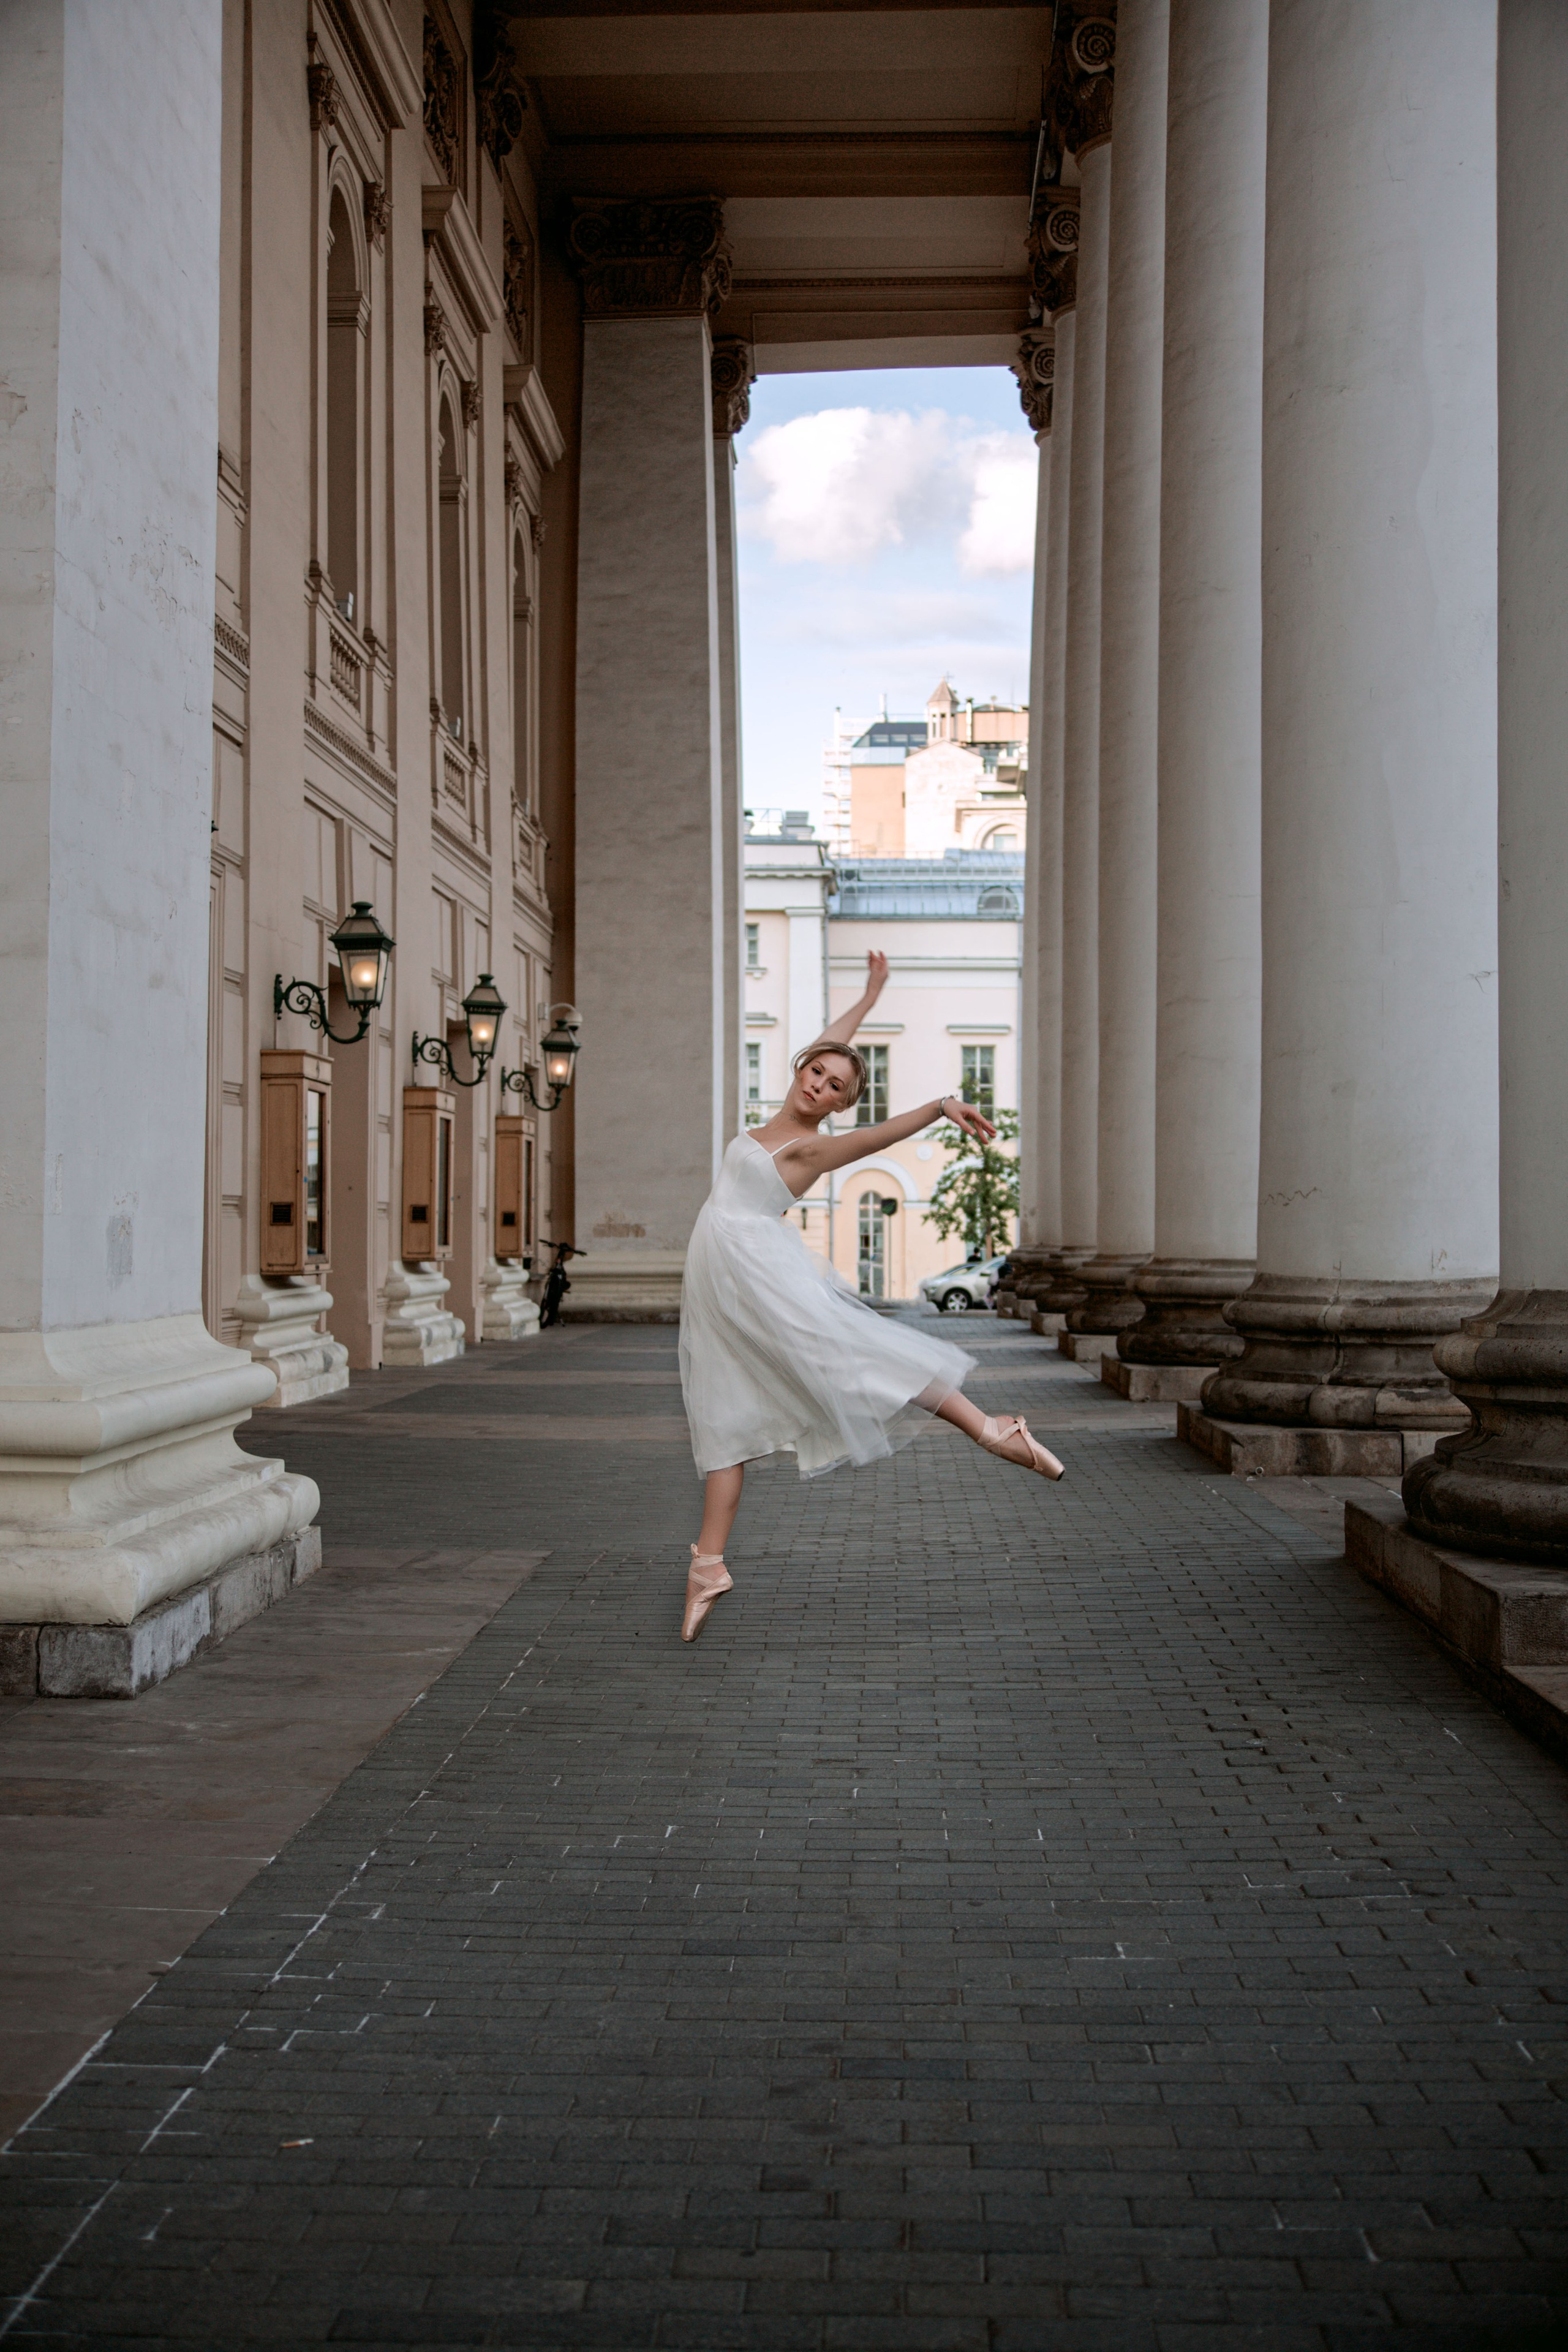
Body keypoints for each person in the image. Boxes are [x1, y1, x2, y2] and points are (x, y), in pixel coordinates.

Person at [677, 950, 1064, 1642]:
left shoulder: (807, 1149)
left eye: (833, 1087)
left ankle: (990, 1428)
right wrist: (869, 995)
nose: (819, 1085)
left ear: (838, 1104)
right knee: (722, 1415)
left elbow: (877, 1135)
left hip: (754, 1274)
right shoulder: (780, 1113)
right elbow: (835, 1040)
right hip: (721, 1287)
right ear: (801, 1069)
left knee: (856, 1355)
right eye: (815, 1072)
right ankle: (709, 1564)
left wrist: (941, 1106)